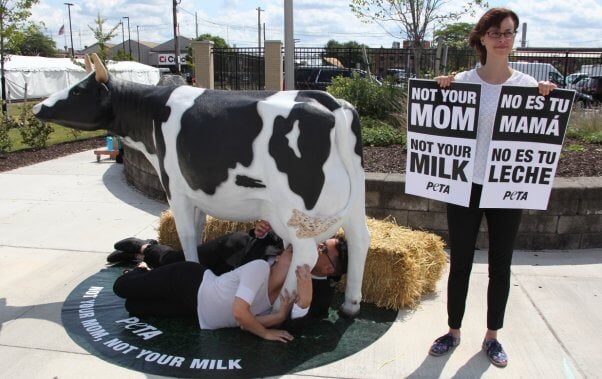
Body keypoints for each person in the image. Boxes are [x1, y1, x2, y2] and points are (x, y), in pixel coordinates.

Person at [428, 8, 556, 368]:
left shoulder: (530, 88)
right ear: (482, 37)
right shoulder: (462, 82)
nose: (504, 39)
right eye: (497, 32)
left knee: (501, 264)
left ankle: (492, 336)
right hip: (465, 186)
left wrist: (547, 96)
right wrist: (441, 89)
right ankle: (452, 331)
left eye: (510, 33)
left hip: (505, 188)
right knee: (461, 263)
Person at [109, 220, 348, 334]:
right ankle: (145, 250)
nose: (313, 246)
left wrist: (300, 304)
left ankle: (142, 269)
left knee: (135, 306)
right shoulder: (285, 251)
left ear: (328, 269)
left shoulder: (320, 297)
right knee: (173, 262)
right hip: (229, 260)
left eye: (322, 249)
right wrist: (260, 232)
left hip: (210, 306)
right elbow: (261, 249)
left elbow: (291, 326)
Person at [113, 244, 308, 342]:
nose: (298, 258)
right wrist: (265, 333)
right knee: (120, 288)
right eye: (293, 252)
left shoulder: (279, 298)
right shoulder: (260, 268)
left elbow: (245, 324)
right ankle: (140, 269)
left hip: (195, 313)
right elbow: (240, 313)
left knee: (134, 307)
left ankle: (144, 271)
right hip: (189, 282)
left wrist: (280, 315)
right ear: (279, 256)